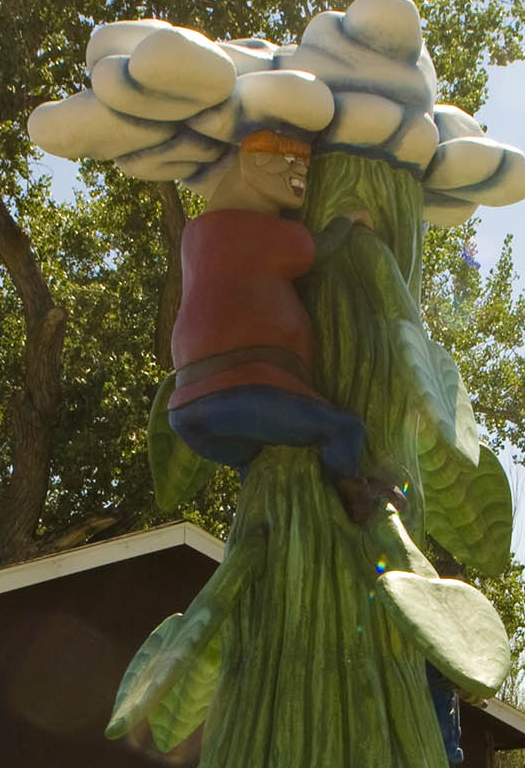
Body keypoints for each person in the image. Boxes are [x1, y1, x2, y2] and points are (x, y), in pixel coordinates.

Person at [167, 129, 393, 518]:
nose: (298, 170)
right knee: (343, 430)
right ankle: (358, 502)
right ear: (247, 164)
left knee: (256, 466)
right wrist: (346, 220)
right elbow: (314, 250)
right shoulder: (250, 231)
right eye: (285, 160)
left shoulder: (197, 236)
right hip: (243, 389)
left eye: (302, 162)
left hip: (191, 409)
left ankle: (264, 515)